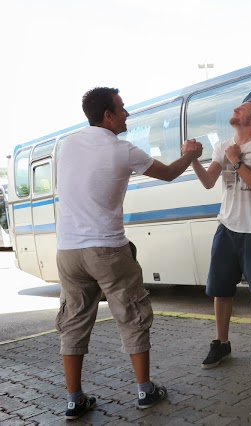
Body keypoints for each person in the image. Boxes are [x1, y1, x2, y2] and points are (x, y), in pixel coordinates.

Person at [56, 87, 203, 420]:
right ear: (108, 115)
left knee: (74, 321)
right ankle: (145, 390)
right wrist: (191, 154)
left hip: (68, 250)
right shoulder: (121, 150)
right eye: (122, 109)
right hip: (106, 247)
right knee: (132, 314)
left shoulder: (67, 145)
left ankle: (74, 399)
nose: (127, 114)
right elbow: (168, 173)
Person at [186, 101, 251, 369]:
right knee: (221, 289)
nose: (236, 109)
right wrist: (192, 158)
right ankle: (221, 343)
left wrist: (237, 161)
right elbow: (207, 181)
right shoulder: (222, 147)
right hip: (226, 227)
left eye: (242, 108)